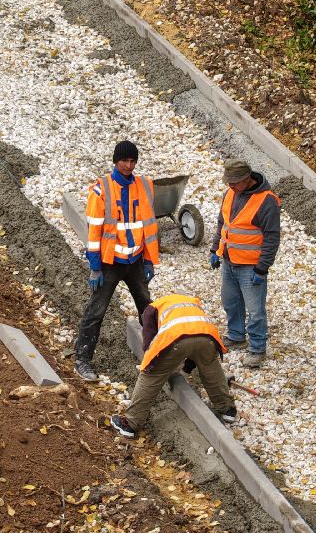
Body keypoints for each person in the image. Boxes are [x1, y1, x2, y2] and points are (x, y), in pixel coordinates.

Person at [74, 140, 159, 382]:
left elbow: (149, 226)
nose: (129, 165)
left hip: (135, 261)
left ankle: (157, 356)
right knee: (96, 311)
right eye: (124, 161)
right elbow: (94, 233)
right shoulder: (101, 190)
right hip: (109, 263)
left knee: (148, 311)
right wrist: (95, 267)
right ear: (115, 160)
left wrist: (149, 261)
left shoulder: (144, 186)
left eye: (133, 161)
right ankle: (82, 359)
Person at [109, 293, 237, 437]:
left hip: (177, 339)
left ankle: (130, 424)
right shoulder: (191, 302)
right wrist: (185, 370)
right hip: (207, 337)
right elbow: (194, 344)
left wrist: (151, 364)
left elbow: (149, 344)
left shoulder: (150, 310)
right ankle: (227, 409)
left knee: (151, 376)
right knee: (210, 367)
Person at [209, 159, 280, 368]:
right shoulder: (230, 193)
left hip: (251, 266)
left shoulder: (267, 201)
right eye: (228, 183)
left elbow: (272, 237)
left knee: (255, 310)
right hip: (230, 259)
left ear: (246, 179)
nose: (230, 187)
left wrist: (262, 267)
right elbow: (223, 223)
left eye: (234, 183)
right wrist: (215, 249)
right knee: (230, 301)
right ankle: (236, 335)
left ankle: (257, 348)